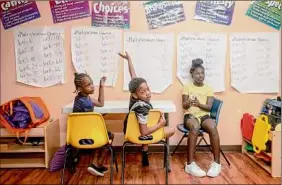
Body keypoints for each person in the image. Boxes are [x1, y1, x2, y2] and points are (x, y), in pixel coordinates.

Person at [118, 52, 175, 166]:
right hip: (140, 134)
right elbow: (144, 132)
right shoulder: (142, 108)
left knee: (146, 122)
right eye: (143, 92)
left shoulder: (134, 97)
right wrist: (161, 124)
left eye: (147, 89)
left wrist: (129, 60)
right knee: (171, 129)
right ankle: (159, 158)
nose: (147, 93)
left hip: (134, 131)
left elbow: (134, 78)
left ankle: (145, 151)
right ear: (135, 94)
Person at [182, 59, 221, 177]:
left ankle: (217, 164)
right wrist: (189, 102)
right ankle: (190, 164)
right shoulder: (187, 87)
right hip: (190, 115)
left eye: (202, 73)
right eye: (197, 74)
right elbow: (184, 105)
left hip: (204, 114)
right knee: (195, 126)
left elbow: (209, 108)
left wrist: (199, 104)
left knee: (213, 126)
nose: (200, 76)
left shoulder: (208, 88)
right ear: (192, 75)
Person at [72, 72, 114, 176]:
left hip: (80, 133)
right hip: (85, 135)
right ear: (80, 89)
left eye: (92, 83)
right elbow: (89, 119)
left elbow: (100, 103)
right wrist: (100, 117)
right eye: (88, 85)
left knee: (104, 135)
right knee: (109, 136)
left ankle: (96, 166)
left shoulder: (82, 98)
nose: (91, 86)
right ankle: (95, 163)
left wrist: (101, 86)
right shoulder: (85, 102)